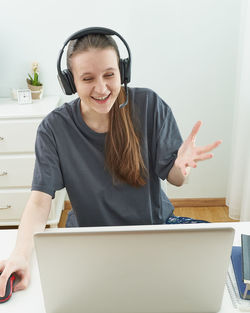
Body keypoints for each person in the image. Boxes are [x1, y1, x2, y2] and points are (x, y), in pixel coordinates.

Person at [0, 27, 221, 297]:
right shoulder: (54, 129)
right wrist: (20, 255)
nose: (101, 88)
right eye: (87, 78)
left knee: (218, 260)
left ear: (122, 72)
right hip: (91, 244)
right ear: (71, 83)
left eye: (109, 74)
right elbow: (39, 201)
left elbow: (176, 178)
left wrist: (182, 168)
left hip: (155, 233)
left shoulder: (149, 105)